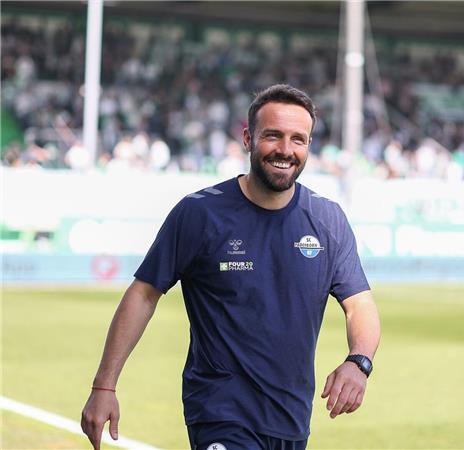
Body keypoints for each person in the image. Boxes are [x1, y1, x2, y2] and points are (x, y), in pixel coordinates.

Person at [80, 84, 381, 450]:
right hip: (220, 412)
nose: (285, 150)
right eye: (273, 136)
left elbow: (359, 304)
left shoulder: (327, 220)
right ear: (248, 138)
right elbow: (144, 294)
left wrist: (359, 362)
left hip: (291, 419)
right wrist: (104, 386)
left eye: (298, 139)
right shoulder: (199, 213)